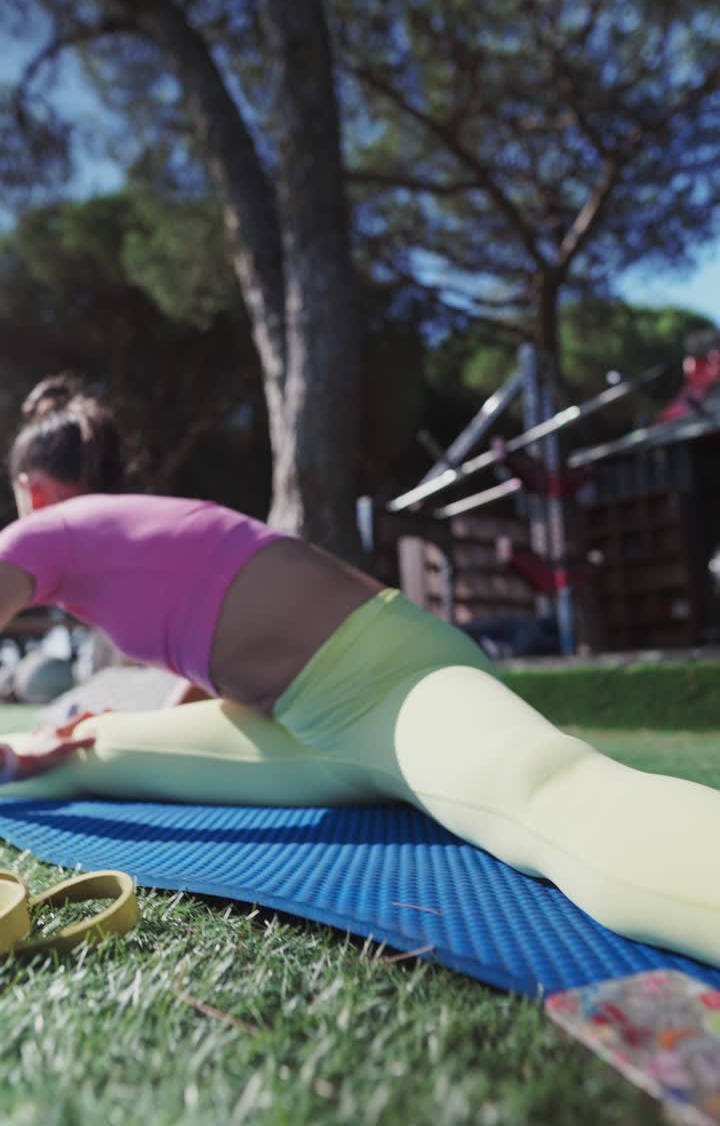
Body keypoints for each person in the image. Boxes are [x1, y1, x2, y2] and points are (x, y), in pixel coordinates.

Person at [0, 378, 718, 969]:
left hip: (395, 688)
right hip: (300, 722)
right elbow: (213, 643)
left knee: (553, 797)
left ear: (30, 488)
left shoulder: (39, 534)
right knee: (82, 749)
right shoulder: (123, 533)